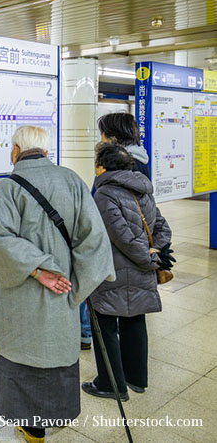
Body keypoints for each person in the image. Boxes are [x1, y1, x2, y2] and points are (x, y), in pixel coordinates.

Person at [0, 126, 115, 443]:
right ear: (46, 151)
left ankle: (30, 428)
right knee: (55, 354)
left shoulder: (7, 189)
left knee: (22, 352)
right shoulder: (72, 181)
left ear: (15, 151)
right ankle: (55, 415)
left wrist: (38, 271)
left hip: (22, 294)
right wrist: (76, 286)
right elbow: (95, 240)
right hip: (64, 293)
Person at [82, 142, 172, 401]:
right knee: (134, 320)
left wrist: (146, 258)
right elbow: (163, 228)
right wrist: (156, 254)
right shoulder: (142, 189)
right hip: (141, 271)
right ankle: (136, 378)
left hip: (115, 271)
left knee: (106, 323)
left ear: (102, 166)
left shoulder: (104, 193)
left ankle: (111, 385)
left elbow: (121, 237)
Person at [82, 112, 150, 349]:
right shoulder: (142, 161)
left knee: (102, 298)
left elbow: (98, 202)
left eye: (102, 133)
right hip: (135, 237)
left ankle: (88, 334)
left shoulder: (114, 164)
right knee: (130, 306)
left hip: (114, 241)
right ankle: (134, 374)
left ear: (112, 137)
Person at [97, 112, 150, 178]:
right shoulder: (141, 158)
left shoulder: (117, 163)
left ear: (113, 137)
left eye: (102, 133)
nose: (101, 139)